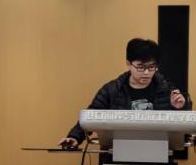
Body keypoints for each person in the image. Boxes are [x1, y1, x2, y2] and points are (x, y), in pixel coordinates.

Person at [60, 38, 191, 148]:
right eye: (141, 67)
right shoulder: (112, 89)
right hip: (115, 155)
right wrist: (74, 137)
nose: (147, 72)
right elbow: (91, 116)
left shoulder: (167, 89)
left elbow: (184, 128)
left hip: (159, 153)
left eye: (152, 67)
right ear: (128, 64)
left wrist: (180, 108)